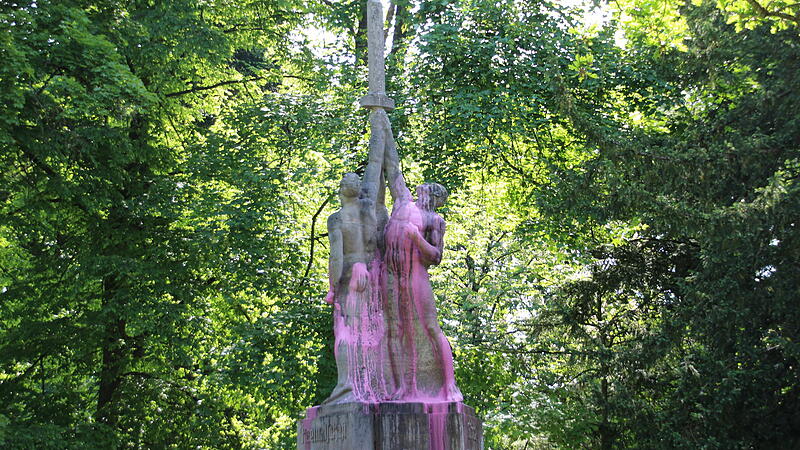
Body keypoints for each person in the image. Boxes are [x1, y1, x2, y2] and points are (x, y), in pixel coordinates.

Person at [380, 115, 463, 402]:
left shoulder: (433, 219)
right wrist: (384, 125)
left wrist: (416, 238)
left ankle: (449, 384)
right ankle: (407, 386)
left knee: (428, 327)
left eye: (432, 189)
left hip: (416, 276)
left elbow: (436, 256)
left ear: (436, 197)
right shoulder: (402, 200)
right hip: (392, 276)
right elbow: (393, 167)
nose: (424, 188)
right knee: (400, 330)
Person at [323, 110, 391, 403]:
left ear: (340, 192)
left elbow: (336, 257)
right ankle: (372, 383)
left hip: (349, 273)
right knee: (373, 328)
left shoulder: (336, 218)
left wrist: (331, 287)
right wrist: (380, 128)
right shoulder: (367, 210)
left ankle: (347, 384)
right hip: (370, 271)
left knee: (346, 329)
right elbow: (375, 169)